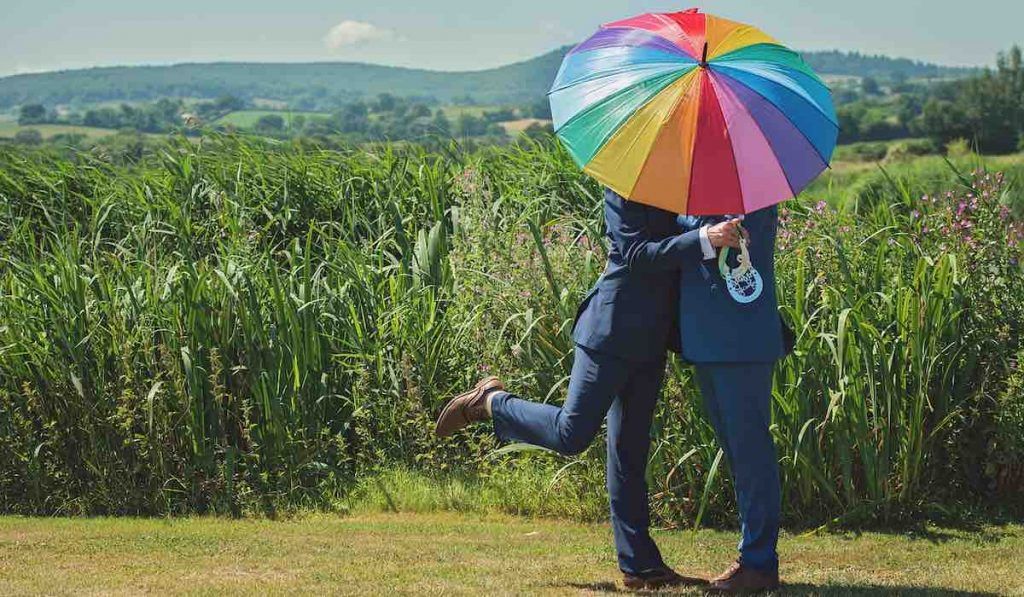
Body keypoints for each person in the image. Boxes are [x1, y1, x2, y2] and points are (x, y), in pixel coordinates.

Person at [434, 188, 744, 590]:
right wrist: (706, 239)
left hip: (651, 341)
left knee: (628, 454)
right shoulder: (623, 187)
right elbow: (636, 253)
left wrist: (714, 226)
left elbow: (677, 234)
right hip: (609, 333)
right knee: (571, 434)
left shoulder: (673, 186)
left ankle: (640, 567)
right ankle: (491, 403)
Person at [678, 205, 790, 593]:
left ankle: (758, 563)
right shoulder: (695, 188)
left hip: (740, 339)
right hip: (707, 338)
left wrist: (693, 232)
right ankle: (756, 559)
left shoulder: (751, 187)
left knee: (750, 452)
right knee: (738, 451)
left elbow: (732, 239)